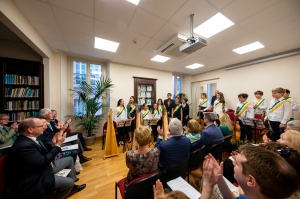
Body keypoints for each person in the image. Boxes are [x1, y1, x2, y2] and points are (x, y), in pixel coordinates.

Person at [4, 118, 86, 199]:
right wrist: (57, 146)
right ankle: (67, 188)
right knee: (69, 182)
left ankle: (72, 188)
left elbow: (42, 156)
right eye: (41, 126)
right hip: (33, 179)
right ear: (30, 130)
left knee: (69, 159)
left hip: (40, 168)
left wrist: (53, 145)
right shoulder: (25, 145)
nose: (44, 126)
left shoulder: (30, 139)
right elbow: (43, 162)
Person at [201, 145, 300, 199]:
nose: (233, 162)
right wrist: (219, 178)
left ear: (250, 180)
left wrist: (207, 186)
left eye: (237, 163)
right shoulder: (255, 194)